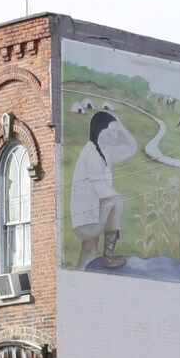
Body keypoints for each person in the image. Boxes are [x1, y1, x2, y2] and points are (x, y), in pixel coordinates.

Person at [69, 111, 138, 268]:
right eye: (110, 132)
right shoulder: (93, 153)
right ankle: (108, 257)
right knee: (117, 201)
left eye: (116, 132)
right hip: (87, 219)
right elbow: (100, 188)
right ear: (100, 130)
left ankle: (80, 278)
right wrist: (114, 219)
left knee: (88, 251)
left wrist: (121, 126)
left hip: (92, 214)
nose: (114, 136)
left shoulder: (105, 151)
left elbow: (132, 147)